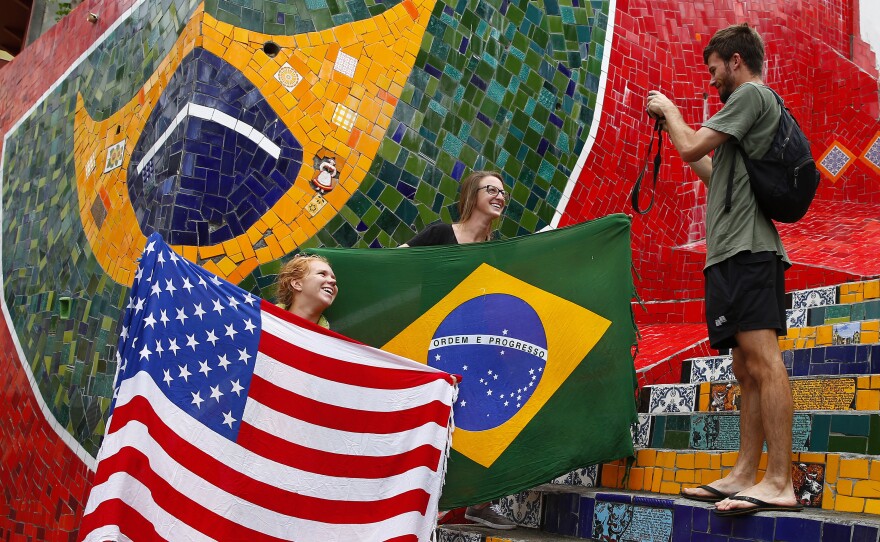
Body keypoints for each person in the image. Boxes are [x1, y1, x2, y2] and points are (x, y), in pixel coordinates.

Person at [645, 23, 801, 516]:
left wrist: (670, 112)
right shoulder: (739, 123)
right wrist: (678, 132)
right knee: (742, 367)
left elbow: (693, 145)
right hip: (728, 253)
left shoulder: (752, 94)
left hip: (752, 251)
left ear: (736, 60)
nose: (711, 79)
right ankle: (743, 472)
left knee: (763, 359)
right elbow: (712, 172)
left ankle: (779, 480)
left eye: (714, 69)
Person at [402, 170, 516, 530]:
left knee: (487, 418)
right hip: (434, 345)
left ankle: (479, 502)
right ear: (472, 194)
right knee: (434, 424)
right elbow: (394, 262)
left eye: (503, 192)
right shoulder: (439, 234)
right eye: (491, 189)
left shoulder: (498, 251)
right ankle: (423, 504)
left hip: (479, 350)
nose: (499, 196)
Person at [275, 254, 338, 329]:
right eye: (322, 274)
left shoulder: (330, 340)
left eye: (333, 278)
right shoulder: (262, 322)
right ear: (297, 284)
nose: (333, 281)